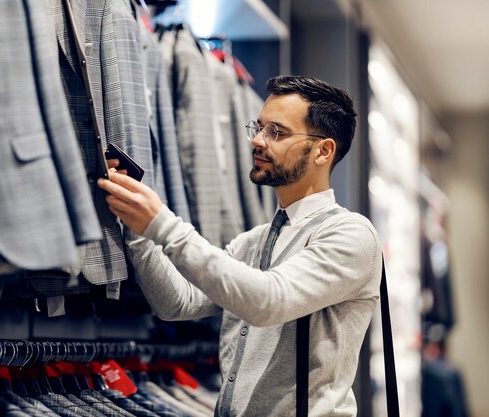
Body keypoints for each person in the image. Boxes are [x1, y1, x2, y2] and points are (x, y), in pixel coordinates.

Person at [97, 75, 382, 417]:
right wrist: (138, 228)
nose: (258, 141)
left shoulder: (350, 234)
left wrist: (162, 223)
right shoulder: (255, 240)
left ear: (323, 150)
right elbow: (177, 303)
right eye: (259, 128)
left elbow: (267, 300)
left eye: (277, 132)